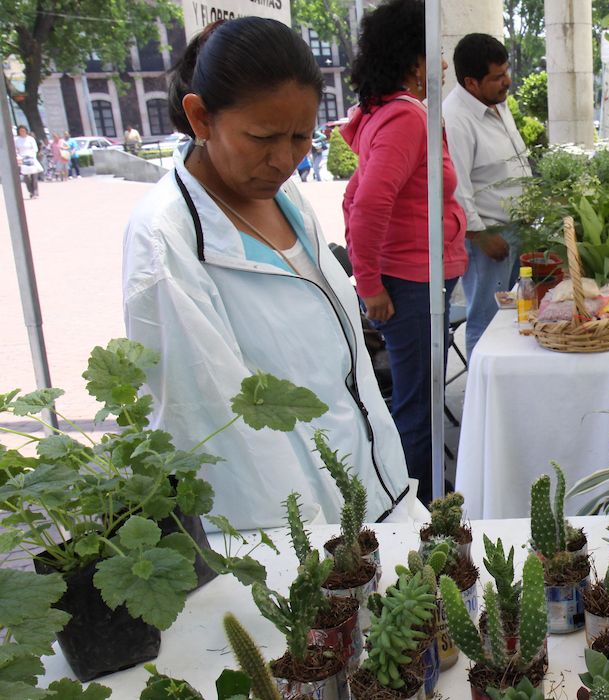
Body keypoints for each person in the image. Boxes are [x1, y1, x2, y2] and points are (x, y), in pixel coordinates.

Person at [122, 16, 423, 530]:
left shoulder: (286, 198)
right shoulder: (166, 239)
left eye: (301, 137)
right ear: (200, 118)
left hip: (368, 494)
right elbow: (217, 428)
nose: (284, 160)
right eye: (262, 138)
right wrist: (309, 546)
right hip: (290, 531)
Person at [342, 0, 467, 505]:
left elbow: (354, 196)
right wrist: (369, 284)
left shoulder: (395, 115)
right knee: (418, 406)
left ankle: (418, 494)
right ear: (414, 60)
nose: (442, 65)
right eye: (435, 53)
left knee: (420, 399)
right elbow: (367, 204)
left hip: (417, 280)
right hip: (413, 285)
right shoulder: (405, 119)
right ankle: (418, 509)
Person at [444, 33, 532, 359]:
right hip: (486, 237)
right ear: (471, 82)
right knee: (486, 319)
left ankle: (508, 380)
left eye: (506, 71)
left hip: (515, 229)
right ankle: (481, 390)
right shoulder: (455, 119)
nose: (507, 81)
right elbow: (456, 186)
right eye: (497, 76)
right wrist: (480, 235)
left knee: (514, 315)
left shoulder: (496, 102)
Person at [14, 126, 41, 199]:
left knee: (34, 176)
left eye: (23, 130)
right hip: (22, 158)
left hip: (31, 157)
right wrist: (18, 157)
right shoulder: (16, 139)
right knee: (26, 177)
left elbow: (35, 149)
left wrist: (33, 156)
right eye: (21, 131)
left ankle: (35, 191)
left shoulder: (30, 139)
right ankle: (30, 190)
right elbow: (15, 149)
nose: (22, 132)